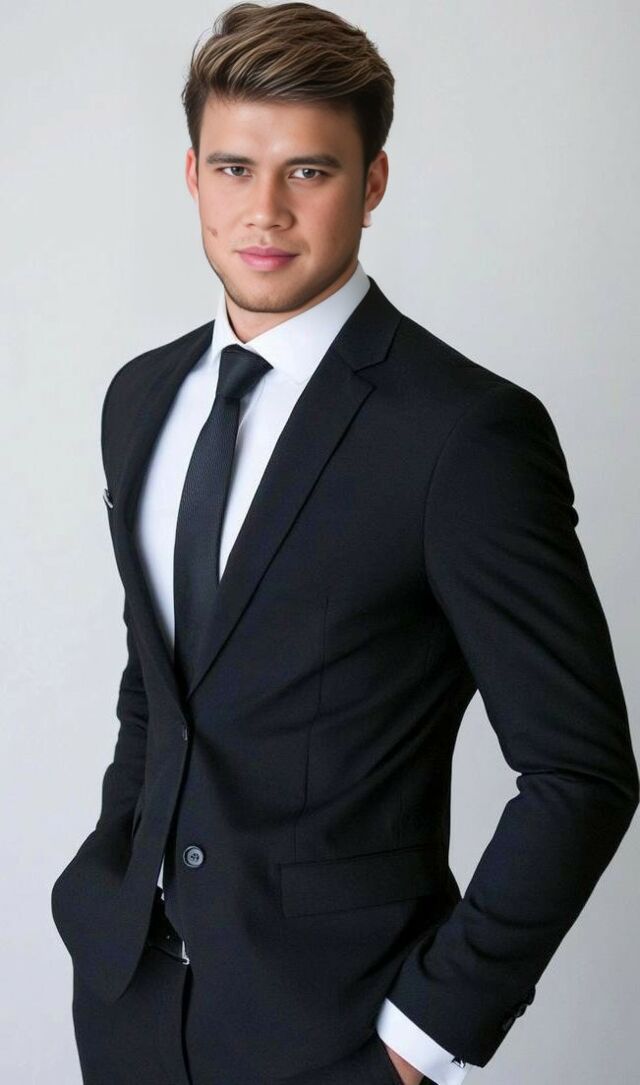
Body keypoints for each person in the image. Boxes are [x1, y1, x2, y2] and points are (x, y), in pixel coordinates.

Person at [51, 4, 639, 1084]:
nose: (264, 210)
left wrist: (422, 1036)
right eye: (234, 168)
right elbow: (159, 686)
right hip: (130, 1003)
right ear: (192, 177)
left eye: (310, 172)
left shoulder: (462, 435)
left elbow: (580, 769)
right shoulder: (140, 399)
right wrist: (107, 885)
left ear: (372, 183)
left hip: (338, 1031)